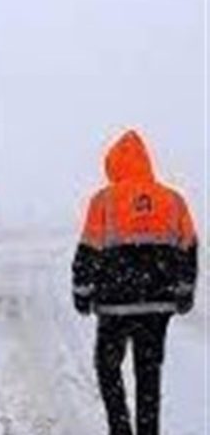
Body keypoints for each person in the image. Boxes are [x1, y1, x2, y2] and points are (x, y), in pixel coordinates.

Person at [72, 130, 198, 435]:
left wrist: (82, 293)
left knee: (108, 367)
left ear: (114, 165)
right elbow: (189, 248)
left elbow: (88, 250)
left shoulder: (104, 200)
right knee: (149, 371)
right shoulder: (173, 199)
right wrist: (184, 292)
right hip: (157, 305)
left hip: (114, 305)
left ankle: (120, 428)